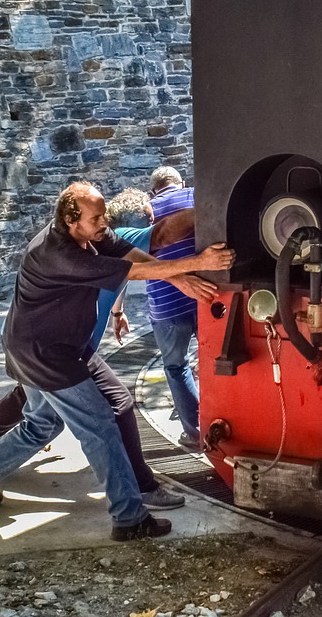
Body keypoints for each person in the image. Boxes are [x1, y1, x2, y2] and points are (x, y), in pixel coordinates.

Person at [0, 182, 233, 541]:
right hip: (45, 353)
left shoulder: (91, 234)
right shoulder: (60, 254)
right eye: (96, 217)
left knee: (48, 424)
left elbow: (130, 255)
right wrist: (197, 264)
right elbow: (132, 273)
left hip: (65, 346)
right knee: (100, 426)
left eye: (104, 215)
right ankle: (129, 518)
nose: (104, 223)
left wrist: (180, 277)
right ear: (70, 219)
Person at [127, 165, 202, 451]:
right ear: (180, 183)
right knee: (214, 359)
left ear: (153, 190)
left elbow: (129, 260)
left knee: (175, 366)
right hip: (203, 296)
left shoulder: (145, 212)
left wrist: (117, 310)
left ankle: (195, 433)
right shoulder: (195, 198)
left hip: (164, 305)